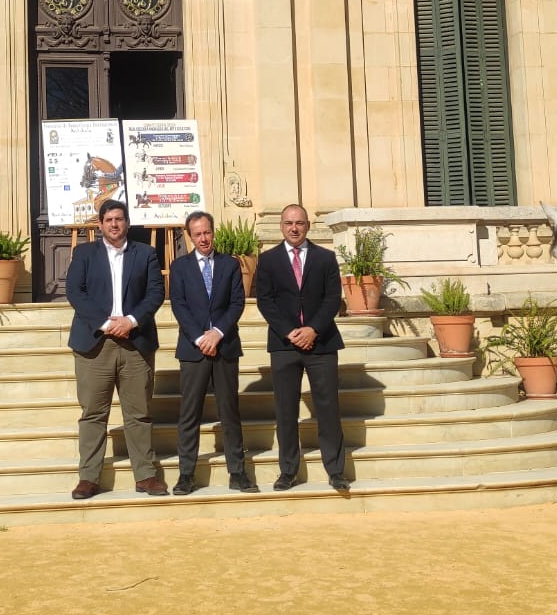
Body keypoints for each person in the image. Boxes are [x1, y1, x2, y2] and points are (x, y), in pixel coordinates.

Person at [64, 199, 167, 499]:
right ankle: (89, 477)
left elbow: (155, 292)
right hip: (95, 344)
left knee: (139, 413)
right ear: (99, 225)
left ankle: (146, 475)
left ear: (127, 222)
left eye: (119, 219)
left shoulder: (145, 253)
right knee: (93, 413)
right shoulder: (83, 253)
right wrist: (105, 324)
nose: (114, 224)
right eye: (108, 219)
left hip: (136, 343)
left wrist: (131, 321)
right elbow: (75, 291)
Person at [253, 204, 350, 492]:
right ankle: (288, 471)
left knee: (328, 408)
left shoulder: (326, 258)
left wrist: (313, 329)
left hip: (321, 343)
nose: (294, 228)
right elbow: (265, 300)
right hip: (284, 345)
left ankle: (336, 470)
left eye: (299, 223)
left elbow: (333, 298)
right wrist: (290, 332)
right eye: (288, 223)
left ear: (307, 225)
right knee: (285, 411)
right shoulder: (268, 260)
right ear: (281, 227)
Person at [167, 210, 256, 495]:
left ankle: (238, 472)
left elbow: (237, 303)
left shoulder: (230, 265)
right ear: (189, 236)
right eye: (197, 234)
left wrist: (217, 333)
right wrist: (199, 337)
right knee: (189, 413)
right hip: (193, 350)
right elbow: (179, 305)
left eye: (207, 232)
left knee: (229, 410)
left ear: (213, 232)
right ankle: (186, 474)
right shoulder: (179, 267)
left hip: (225, 346)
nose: (203, 238)